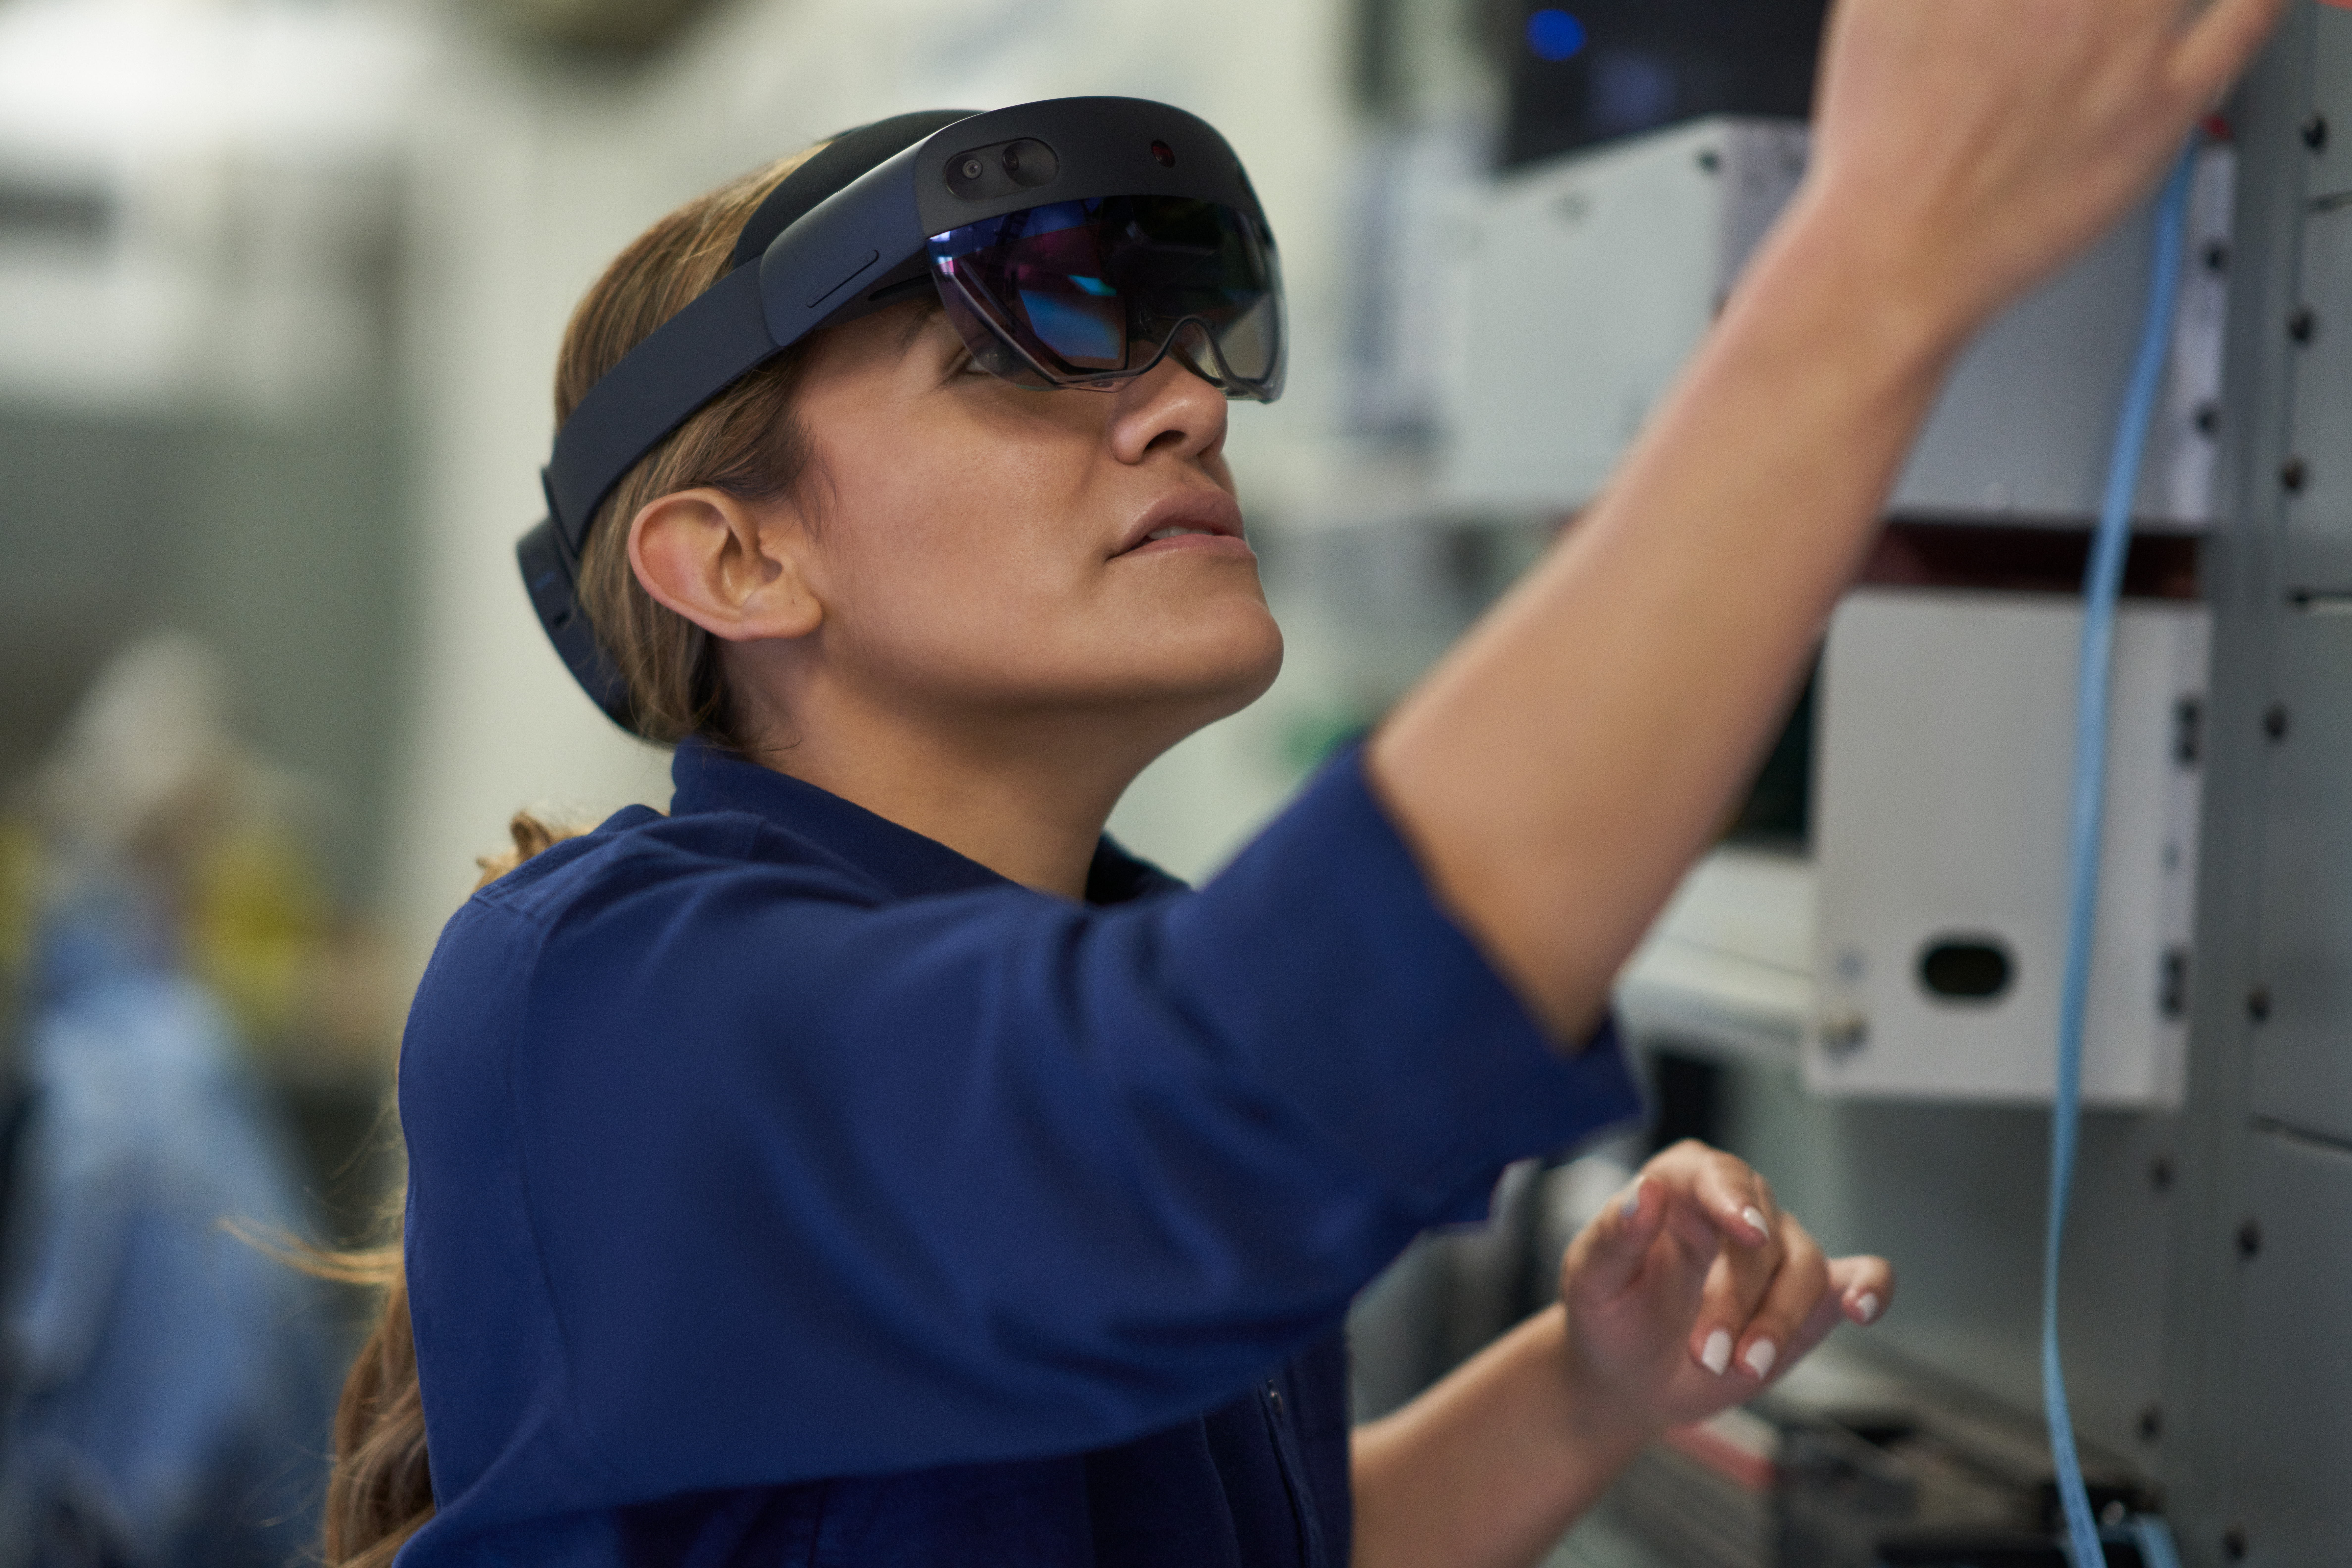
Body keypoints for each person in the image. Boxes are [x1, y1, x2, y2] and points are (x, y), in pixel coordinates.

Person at [326, 0, 2284, 1563]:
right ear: (739, 562)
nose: (1189, 397)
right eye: (1027, 343)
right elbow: (1224, 1091)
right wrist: (1886, 250)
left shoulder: (1093, 993)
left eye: (1182, 336)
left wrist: (1585, 1391)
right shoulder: (594, 993)